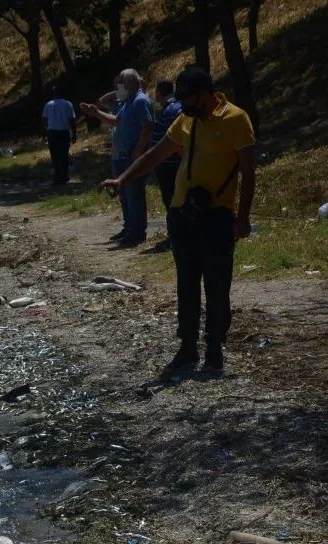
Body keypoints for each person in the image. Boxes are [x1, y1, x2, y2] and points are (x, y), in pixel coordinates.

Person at [101, 66, 255, 377]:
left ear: (206, 94)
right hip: (181, 213)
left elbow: (249, 172)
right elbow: (154, 156)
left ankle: (214, 349)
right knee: (186, 284)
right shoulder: (186, 119)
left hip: (217, 216)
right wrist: (122, 179)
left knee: (216, 283)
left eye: (188, 99)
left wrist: (242, 218)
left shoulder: (236, 119)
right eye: (180, 99)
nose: (182, 105)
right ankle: (187, 348)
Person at [81, 69, 153, 247]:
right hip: (124, 154)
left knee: (135, 194)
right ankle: (130, 229)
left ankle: (137, 233)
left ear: (131, 83)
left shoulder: (140, 100)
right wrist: (96, 113)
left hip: (133, 155)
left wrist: (138, 150)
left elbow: (148, 126)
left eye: (122, 82)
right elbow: (116, 121)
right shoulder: (129, 101)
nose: (119, 86)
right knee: (126, 194)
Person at [149, 79, 182, 249]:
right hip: (171, 163)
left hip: (170, 165)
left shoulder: (171, 109)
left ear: (160, 92)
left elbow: (176, 137)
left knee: (172, 204)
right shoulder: (176, 106)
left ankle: (175, 237)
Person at [42, 86, 77, 185]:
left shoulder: (49, 104)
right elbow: (72, 120)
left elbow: (44, 120)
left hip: (53, 133)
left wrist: (44, 134)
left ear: (54, 93)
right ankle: (65, 176)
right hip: (65, 132)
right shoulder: (68, 104)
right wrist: (74, 134)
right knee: (64, 154)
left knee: (55, 155)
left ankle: (58, 176)